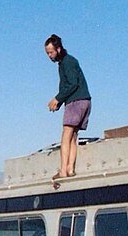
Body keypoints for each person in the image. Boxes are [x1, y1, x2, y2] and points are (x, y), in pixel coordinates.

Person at [45, 34, 91, 182]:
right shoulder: (66, 62)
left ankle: (64, 170)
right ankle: (70, 168)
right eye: (47, 53)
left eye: (51, 52)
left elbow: (72, 84)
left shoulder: (67, 62)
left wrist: (57, 98)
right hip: (84, 100)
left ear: (58, 49)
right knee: (73, 136)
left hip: (76, 101)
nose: (49, 56)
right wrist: (59, 101)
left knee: (66, 134)